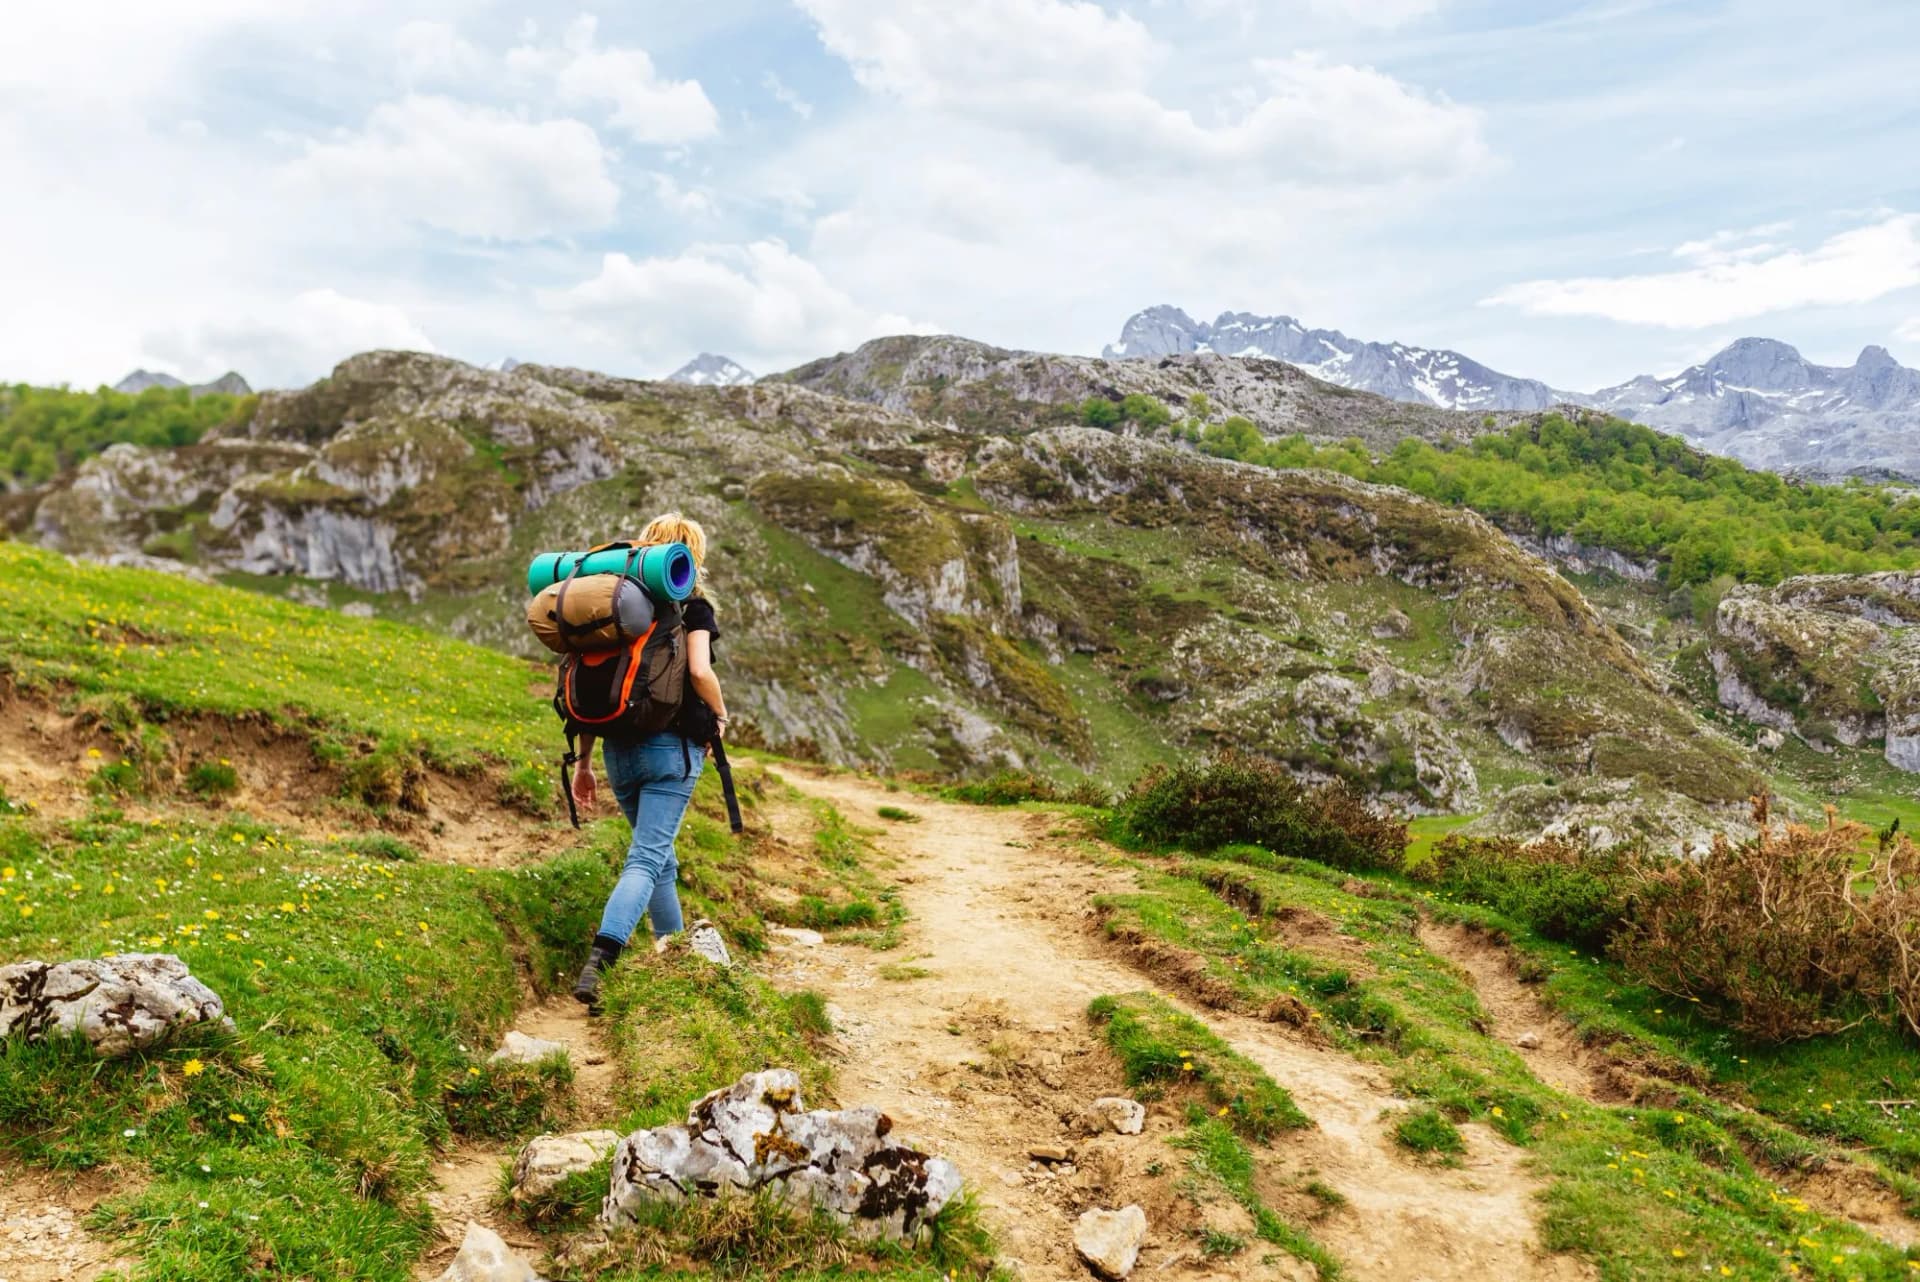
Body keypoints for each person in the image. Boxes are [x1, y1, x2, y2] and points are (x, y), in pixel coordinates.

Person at [569, 512, 729, 1009]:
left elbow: (599, 689)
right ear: (689, 557)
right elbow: (700, 671)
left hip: (618, 753)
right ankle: (602, 960)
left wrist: (584, 764)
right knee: (646, 858)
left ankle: (673, 958)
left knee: (660, 860)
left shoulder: (615, 609)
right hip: (671, 752)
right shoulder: (691, 607)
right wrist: (721, 716)